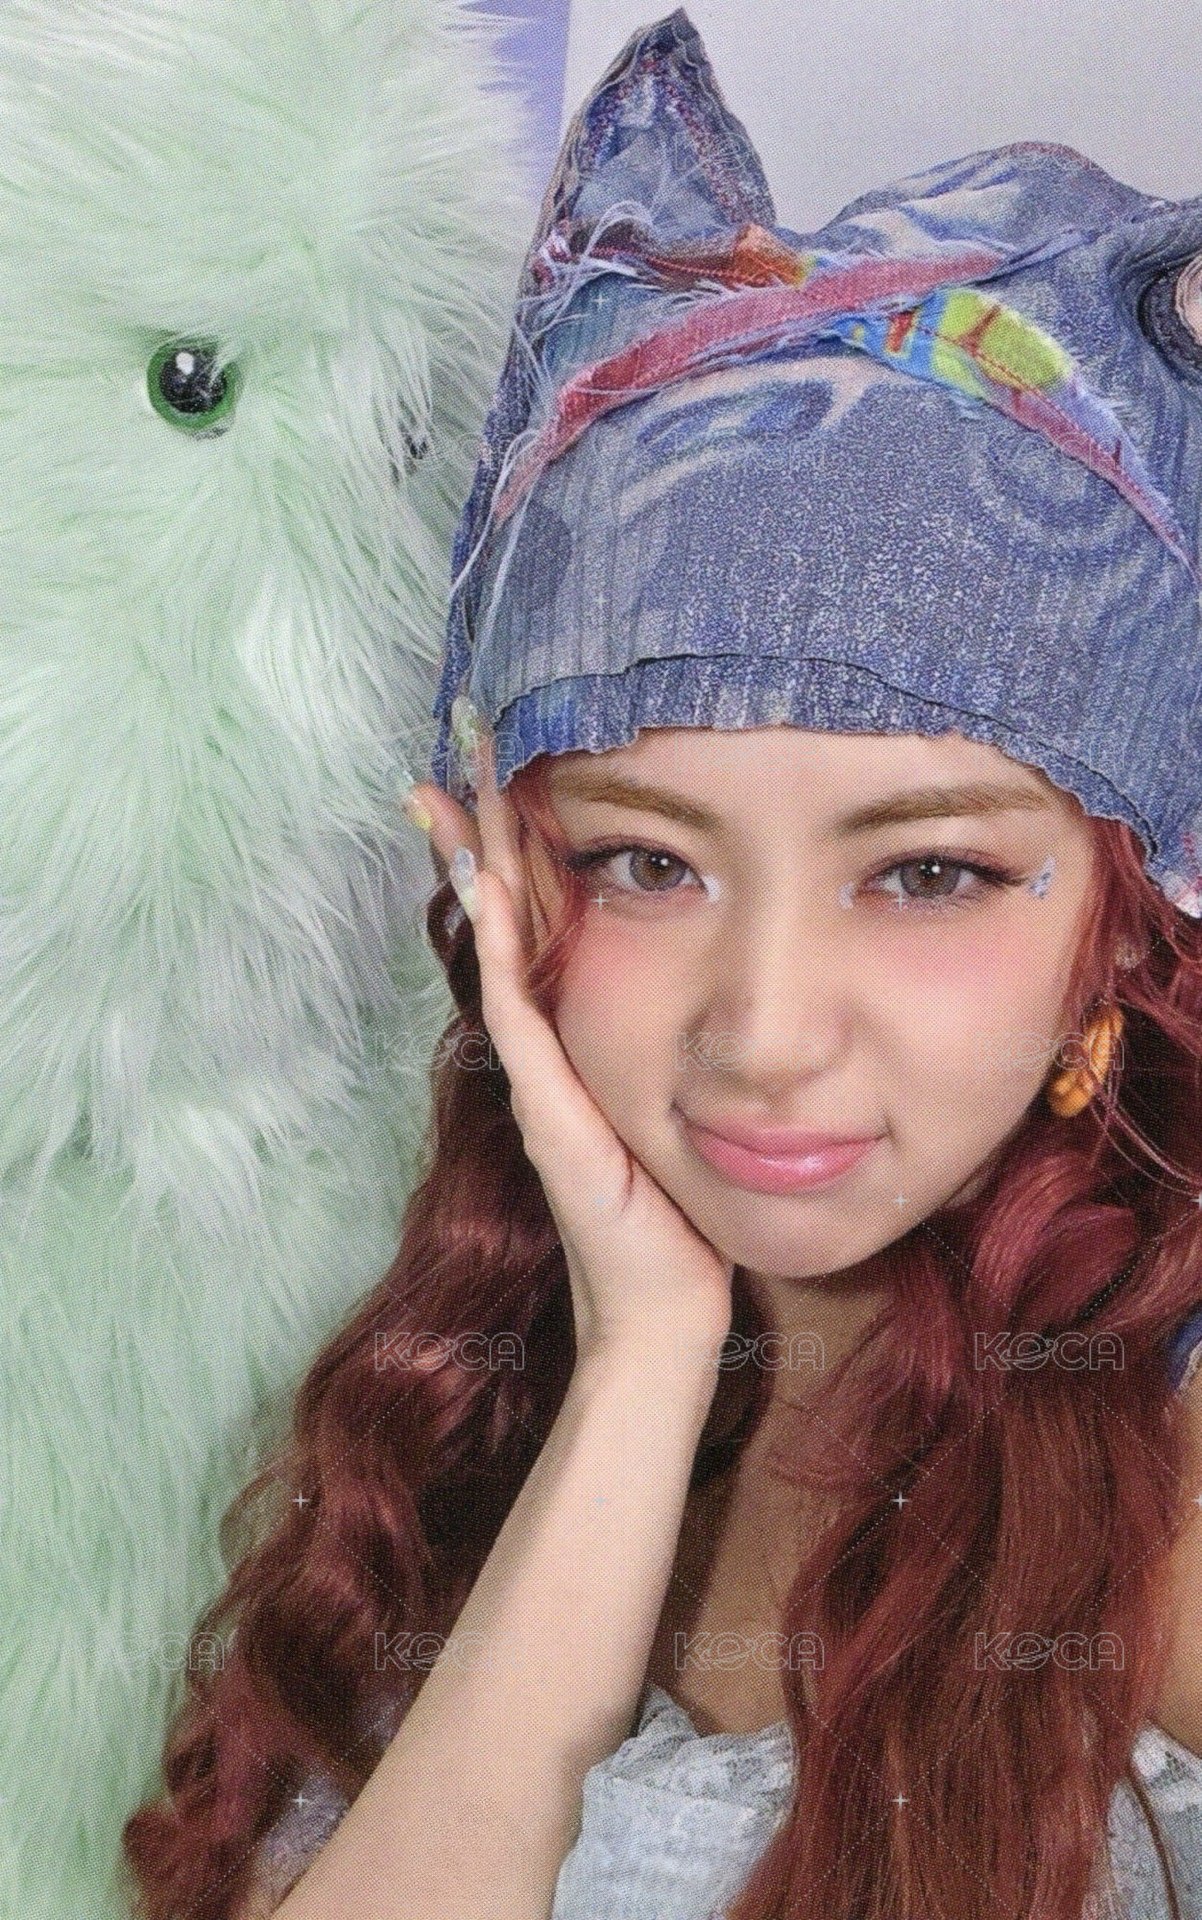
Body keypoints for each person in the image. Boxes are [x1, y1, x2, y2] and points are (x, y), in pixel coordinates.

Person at [123, 12, 1202, 1919]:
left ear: (1127, 914)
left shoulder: (1161, 1495)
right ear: (496, 873)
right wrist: (641, 1357)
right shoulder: (455, 1410)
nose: (763, 1034)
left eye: (929, 873)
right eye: (646, 862)